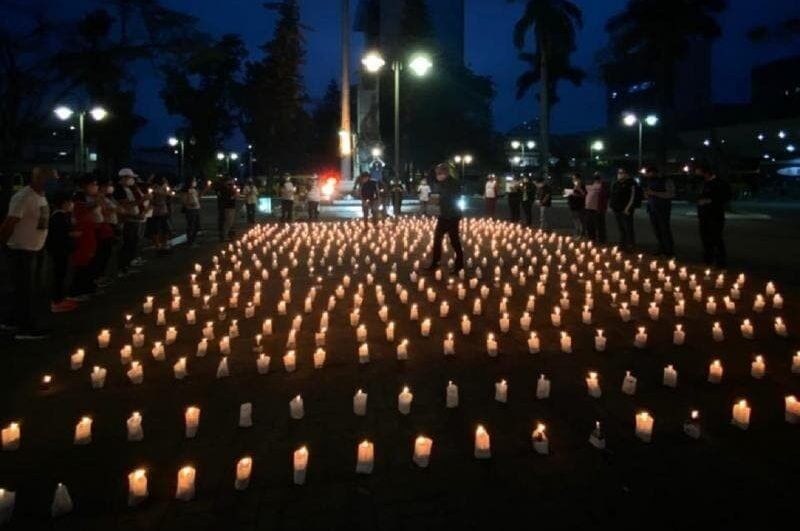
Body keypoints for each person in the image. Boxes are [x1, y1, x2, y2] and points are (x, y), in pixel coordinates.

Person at [0, 167, 53, 339]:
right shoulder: (23, 197)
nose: (52, 182)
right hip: (21, 250)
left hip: (35, 248)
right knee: (26, 290)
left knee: (28, 288)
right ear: (37, 178)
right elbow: (10, 222)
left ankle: (12, 320)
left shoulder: (41, 195)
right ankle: (27, 329)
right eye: (49, 178)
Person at [427, 163, 464, 273]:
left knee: (454, 241)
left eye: (439, 173)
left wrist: (439, 199)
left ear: (445, 173)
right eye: (437, 173)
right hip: (443, 216)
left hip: (452, 216)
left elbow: (451, 197)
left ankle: (459, 265)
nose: (438, 175)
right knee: (437, 239)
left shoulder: (454, 184)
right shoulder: (439, 183)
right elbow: (436, 194)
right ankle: (435, 262)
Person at [46, 192, 78, 313]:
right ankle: (57, 301)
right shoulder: (58, 216)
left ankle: (60, 298)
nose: (72, 205)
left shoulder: (63, 215)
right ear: (64, 204)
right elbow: (60, 234)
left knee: (62, 273)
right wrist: (73, 234)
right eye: (70, 202)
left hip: (62, 249)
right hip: (59, 250)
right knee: (59, 274)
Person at [69, 176, 99, 301]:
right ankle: (77, 292)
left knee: (89, 264)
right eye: (93, 184)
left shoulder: (86, 201)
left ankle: (87, 288)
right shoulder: (78, 201)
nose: (95, 187)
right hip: (83, 237)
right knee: (82, 265)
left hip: (89, 234)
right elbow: (84, 213)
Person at [695, 163, 731, 269]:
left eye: (699, 173)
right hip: (703, 216)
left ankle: (721, 263)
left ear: (706, 172)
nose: (698, 175)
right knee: (705, 239)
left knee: (716, 239)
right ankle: (708, 261)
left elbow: (726, 196)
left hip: (715, 215)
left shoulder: (720, 183)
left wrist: (709, 200)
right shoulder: (703, 183)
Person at [113, 168, 144, 277]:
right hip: (126, 220)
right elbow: (127, 205)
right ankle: (122, 268)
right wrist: (143, 199)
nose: (132, 180)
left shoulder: (129, 189)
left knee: (132, 243)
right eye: (131, 178)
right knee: (126, 244)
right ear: (124, 178)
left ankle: (127, 266)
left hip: (133, 219)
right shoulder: (119, 190)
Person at [643, 166, 676, 256]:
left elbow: (671, 194)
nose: (648, 175)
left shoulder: (666, 181)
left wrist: (654, 193)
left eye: (649, 173)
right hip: (652, 209)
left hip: (663, 209)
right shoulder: (650, 181)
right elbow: (648, 195)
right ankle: (661, 248)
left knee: (665, 230)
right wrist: (647, 194)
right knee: (657, 230)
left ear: (655, 173)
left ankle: (669, 250)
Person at [610, 167, 639, 251]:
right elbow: (613, 195)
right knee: (621, 228)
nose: (620, 174)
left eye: (622, 172)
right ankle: (622, 243)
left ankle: (630, 244)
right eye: (619, 173)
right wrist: (612, 206)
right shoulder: (616, 183)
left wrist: (627, 208)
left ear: (626, 174)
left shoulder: (631, 183)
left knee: (628, 227)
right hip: (617, 209)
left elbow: (632, 197)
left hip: (626, 209)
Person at [146, 175, 171, 253]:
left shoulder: (164, 187)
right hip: (155, 210)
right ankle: (158, 245)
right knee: (155, 228)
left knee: (165, 227)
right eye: (164, 180)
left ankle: (164, 244)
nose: (165, 181)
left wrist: (169, 194)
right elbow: (152, 198)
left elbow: (168, 197)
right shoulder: (153, 188)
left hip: (163, 209)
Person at [584, 172, 609, 244]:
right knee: (590, 225)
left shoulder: (602, 187)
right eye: (595, 178)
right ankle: (592, 238)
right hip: (589, 208)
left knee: (599, 225)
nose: (596, 180)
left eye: (597, 178)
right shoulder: (590, 186)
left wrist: (603, 209)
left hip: (598, 209)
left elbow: (604, 199)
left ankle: (602, 240)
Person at [182, 178, 202, 246]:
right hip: (190, 210)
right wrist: (190, 204)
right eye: (193, 181)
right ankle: (190, 241)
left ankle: (192, 240)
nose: (195, 182)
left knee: (196, 226)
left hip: (196, 209)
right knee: (191, 226)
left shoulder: (194, 190)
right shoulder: (186, 191)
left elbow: (198, 198)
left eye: (195, 181)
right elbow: (184, 201)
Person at [567, 173, 587, 239]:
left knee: (581, 220)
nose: (574, 180)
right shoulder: (572, 185)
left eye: (575, 179)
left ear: (579, 179)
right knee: (575, 220)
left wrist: (579, 189)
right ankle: (576, 232)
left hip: (579, 206)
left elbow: (584, 195)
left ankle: (581, 234)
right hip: (572, 206)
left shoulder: (582, 186)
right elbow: (569, 194)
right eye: (573, 179)